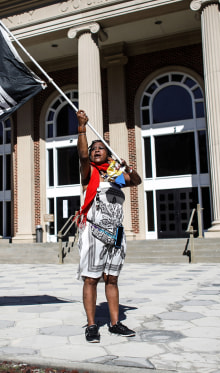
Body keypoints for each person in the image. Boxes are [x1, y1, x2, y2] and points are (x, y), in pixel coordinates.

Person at [75, 109, 142, 343]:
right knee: (91, 279)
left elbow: (136, 181)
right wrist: (82, 128)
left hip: (116, 234)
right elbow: (82, 156)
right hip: (94, 232)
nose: (95, 151)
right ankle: (92, 325)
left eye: (100, 148)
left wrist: (127, 168)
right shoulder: (90, 173)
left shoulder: (115, 176)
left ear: (109, 153)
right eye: (93, 149)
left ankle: (115, 323)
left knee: (112, 279)